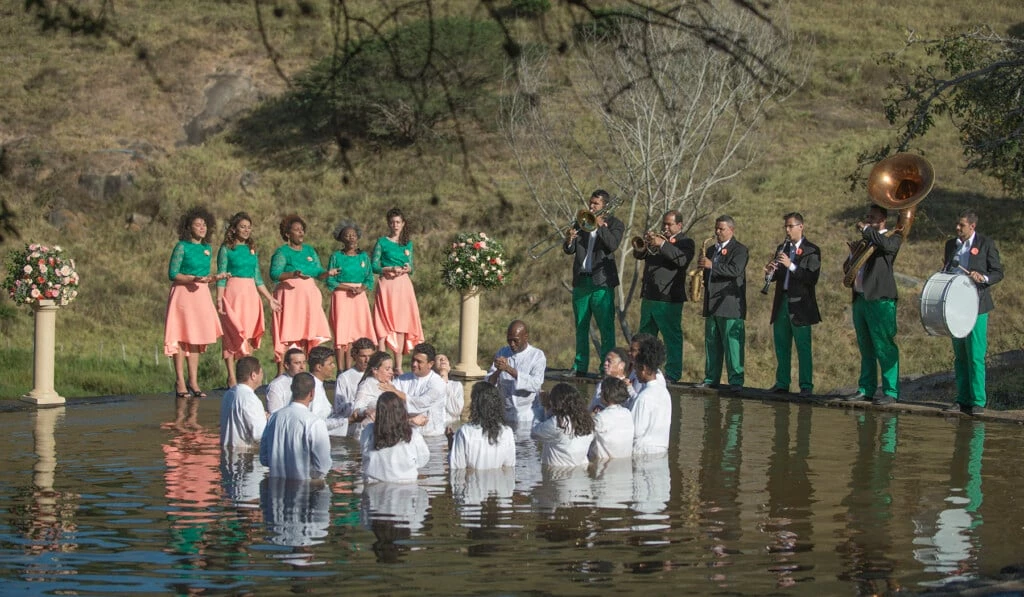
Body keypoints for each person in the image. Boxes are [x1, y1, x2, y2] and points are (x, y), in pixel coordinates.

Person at [165, 206, 227, 429]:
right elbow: (173, 274)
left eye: (204, 225)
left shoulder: (208, 248)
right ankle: (180, 381)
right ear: (188, 227)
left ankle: (193, 380)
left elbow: (205, 277)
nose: (202, 228)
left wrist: (214, 278)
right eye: (198, 224)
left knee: (196, 339)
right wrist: (192, 278)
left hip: (200, 294)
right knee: (181, 337)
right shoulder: (181, 247)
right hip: (183, 293)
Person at [942, 210, 1004, 416]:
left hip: (977, 306)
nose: (957, 228)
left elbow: (997, 272)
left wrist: (983, 278)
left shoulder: (985, 243)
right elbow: (946, 269)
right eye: (957, 225)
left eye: (961, 225)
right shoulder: (951, 245)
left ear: (972, 226)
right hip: (955, 306)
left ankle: (978, 401)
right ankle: (962, 399)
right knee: (960, 356)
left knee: (975, 355)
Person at [843, 205, 901, 405]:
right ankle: (866, 388)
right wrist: (853, 254)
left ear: (882, 220)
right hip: (860, 299)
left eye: (872, 217)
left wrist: (867, 231)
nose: (867, 220)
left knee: (884, 345)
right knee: (865, 346)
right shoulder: (865, 241)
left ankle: (891, 391)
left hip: (880, 300)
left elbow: (889, 247)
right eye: (867, 217)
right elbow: (847, 268)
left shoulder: (893, 237)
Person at [563, 189, 625, 377]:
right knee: (581, 325)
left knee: (606, 327)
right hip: (582, 281)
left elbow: (612, 245)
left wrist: (601, 227)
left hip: (602, 282)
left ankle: (606, 368)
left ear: (605, 206)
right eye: (590, 203)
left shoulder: (615, 224)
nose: (591, 207)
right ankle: (579, 366)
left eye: (595, 204)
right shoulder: (581, 222)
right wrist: (569, 241)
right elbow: (569, 250)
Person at [216, 212, 281, 388]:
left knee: (249, 335)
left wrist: (269, 298)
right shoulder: (226, 249)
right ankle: (231, 377)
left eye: (249, 227)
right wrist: (219, 298)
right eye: (242, 226)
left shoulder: (252, 250)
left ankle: (245, 377)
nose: (246, 230)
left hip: (251, 294)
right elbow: (221, 276)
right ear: (234, 228)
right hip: (233, 293)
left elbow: (258, 278)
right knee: (232, 333)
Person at [269, 214, 338, 375]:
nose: (301, 233)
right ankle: (282, 373)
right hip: (290, 299)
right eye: (296, 230)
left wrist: (328, 273)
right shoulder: (282, 252)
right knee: (289, 334)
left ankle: (306, 372)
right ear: (288, 234)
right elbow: (274, 274)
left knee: (308, 334)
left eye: (302, 230)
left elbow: (318, 271)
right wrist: (293, 274)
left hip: (308, 300)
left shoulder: (309, 251)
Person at [632, 210, 695, 383]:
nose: (665, 227)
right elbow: (638, 254)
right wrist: (646, 243)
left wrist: (662, 245)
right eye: (664, 224)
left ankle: (673, 374)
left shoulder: (686, 242)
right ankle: (643, 370)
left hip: (669, 299)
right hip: (649, 296)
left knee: (671, 337)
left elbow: (682, 261)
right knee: (645, 337)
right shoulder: (658, 241)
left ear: (679, 225)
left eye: (669, 224)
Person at [765, 212, 821, 397]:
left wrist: (791, 265)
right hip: (782, 302)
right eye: (786, 227)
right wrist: (770, 273)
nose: (787, 230)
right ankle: (782, 382)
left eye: (791, 226)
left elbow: (811, 278)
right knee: (782, 345)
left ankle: (806, 385)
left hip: (801, 305)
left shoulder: (812, 250)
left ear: (801, 227)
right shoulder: (782, 247)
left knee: (803, 347)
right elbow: (779, 276)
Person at [696, 215, 748, 391]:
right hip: (712, 304)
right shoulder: (711, 250)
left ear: (731, 230)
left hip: (730, 304)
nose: (717, 232)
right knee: (712, 344)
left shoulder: (740, 250)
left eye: (721, 229)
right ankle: (711, 378)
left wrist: (712, 266)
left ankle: (736, 381)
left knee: (733, 345)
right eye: (716, 228)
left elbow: (735, 270)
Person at [371, 207, 424, 374]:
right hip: (387, 284)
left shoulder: (407, 243)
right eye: (392, 222)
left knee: (400, 325)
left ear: (403, 224)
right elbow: (374, 265)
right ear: (389, 223)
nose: (395, 225)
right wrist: (388, 268)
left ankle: (398, 366)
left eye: (398, 222)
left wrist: (408, 268)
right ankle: (381, 363)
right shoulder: (382, 242)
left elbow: (412, 267)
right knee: (383, 323)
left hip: (403, 285)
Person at [259, 372, 332, 480]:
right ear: (312, 393)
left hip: (275, 490)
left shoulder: (274, 418)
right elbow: (322, 467)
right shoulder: (315, 422)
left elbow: (264, 458)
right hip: (304, 490)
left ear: (292, 390)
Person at [326, 220, 375, 371]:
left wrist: (362, 288)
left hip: (359, 297)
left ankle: (355, 368)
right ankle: (341, 370)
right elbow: (330, 280)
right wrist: (347, 288)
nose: (351, 238)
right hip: (342, 296)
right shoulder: (336, 257)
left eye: (353, 235)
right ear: (342, 239)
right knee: (342, 333)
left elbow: (369, 278)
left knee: (357, 332)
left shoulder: (364, 257)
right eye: (347, 236)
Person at [486, 320, 547, 428]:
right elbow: (488, 383)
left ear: (525, 337)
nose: (512, 344)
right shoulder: (502, 352)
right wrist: (498, 370)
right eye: (509, 340)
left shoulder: (537, 355)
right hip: (505, 415)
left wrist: (509, 369)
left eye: (515, 340)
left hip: (528, 416)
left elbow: (535, 384)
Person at [361, 391, 430, 483]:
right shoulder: (413, 434)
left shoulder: (369, 430)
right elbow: (423, 459)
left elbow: (364, 452)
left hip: (374, 484)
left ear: (379, 411)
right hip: (406, 484)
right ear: (402, 410)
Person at [448, 382, 515, 470]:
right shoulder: (507, 432)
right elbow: (509, 468)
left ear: (475, 404)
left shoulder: (465, 432)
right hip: (499, 482)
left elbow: (457, 469)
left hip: (472, 482)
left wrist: (450, 444)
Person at [531, 383, 595, 468]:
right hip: (580, 473)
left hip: (558, 475)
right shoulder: (588, 420)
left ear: (557, 403)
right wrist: (549, 407)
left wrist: (541, 406)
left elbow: (535, 432)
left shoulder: (557, 423)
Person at [629, 335, 671, 455]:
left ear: (644, 368)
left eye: (637, 369)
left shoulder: (644, 398)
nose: (635, 373)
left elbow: (635, 431)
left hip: (643, 452)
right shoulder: (665, 392)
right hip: (661, 451)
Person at [393, 343, 447, 437]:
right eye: (413, 360)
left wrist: (397, 393)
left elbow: (423, 402)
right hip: (407, 434)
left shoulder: (438, 383)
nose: (414, 364)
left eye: (419, 361)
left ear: (430, 364)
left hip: (433, 437)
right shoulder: (402, 379)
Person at [351, 351, 406, 438]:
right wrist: (366, 411)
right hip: (368, 434)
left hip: (390, 433)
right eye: (387, 369)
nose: (392, 372)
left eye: (391, 368)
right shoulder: (366, 385)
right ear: (375, 370)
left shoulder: (390, 384)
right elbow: (356, 410)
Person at [328, 337, 375, 436]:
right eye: (363, 356)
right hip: (354, 429)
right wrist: (361, 408)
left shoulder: (379, 374)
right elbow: (338, 410)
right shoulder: (344, 378)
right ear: (354, 355)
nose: (367, 360)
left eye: (370, 356)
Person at [219, 356, 268, 450]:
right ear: (253, 376)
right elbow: (259, 435)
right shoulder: (250, 399)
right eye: (261, 372)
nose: (262, 376)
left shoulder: (229, 394)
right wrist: (267, 421)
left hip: (227, 454)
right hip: (243, 457)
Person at [589, 376, 634, 460]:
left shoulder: (601, 417)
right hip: (625, 465)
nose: (599, 394)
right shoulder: (627, 413)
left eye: (601, 392)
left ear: (605, 394)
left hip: (604, 465)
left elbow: (584, 436)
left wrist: (591, 416)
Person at [588, 347, 635, 411]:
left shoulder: (628, 387)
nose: (605, 363)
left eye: (609, 361)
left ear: (621, 365)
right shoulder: (601, 384)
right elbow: (591, 407)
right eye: (605, 361)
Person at [266, 347, 306, 414]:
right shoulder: (276, 386)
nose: (302, 367)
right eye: (297, 363)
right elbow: (275, 415)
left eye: (304, 362)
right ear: (287, 365)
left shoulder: (308, 381)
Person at [307, 345, 336, 421]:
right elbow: (316, 421)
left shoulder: (318, 384)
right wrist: (346, 421)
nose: (334, 366)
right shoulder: (313, 387)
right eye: (330, 364)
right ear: (319, 367)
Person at [434, 353, 465, 426]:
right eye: (439, 359)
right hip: (434, 428)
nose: (443, 359)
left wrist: (445, 383)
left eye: (445, 358)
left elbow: (456, 411)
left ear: (449, 367)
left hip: (452, 427)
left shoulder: (457, 385)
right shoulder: (429, 385)